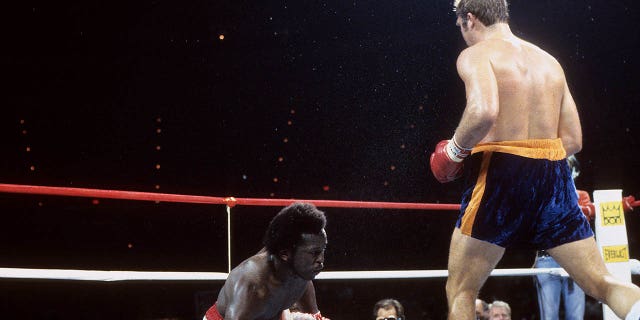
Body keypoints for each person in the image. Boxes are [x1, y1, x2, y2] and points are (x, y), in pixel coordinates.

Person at [428, 1, 640, 319]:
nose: (462, 33)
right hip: (553, 176)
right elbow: (573, 140)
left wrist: (454, 151)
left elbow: (483, 111)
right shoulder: (549, 62)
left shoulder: (476, 54)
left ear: (469, 19)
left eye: (459, 25)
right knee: (604, 283)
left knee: (461, 290)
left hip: (502, 174)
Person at [203, 202, 328, 320]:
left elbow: (303, 284)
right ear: (285, 254)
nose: (321, 260)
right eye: (314, 253)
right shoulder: (251, 286)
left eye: (323, 250)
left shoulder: (301, 270)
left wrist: (315, 315)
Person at [534, 155, 587, 320]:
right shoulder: (540, 196)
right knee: (549, 316)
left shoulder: (582, 196)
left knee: (576, 316)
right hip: (546, 257)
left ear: (574, 172)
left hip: (575, 259)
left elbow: (581, 223)